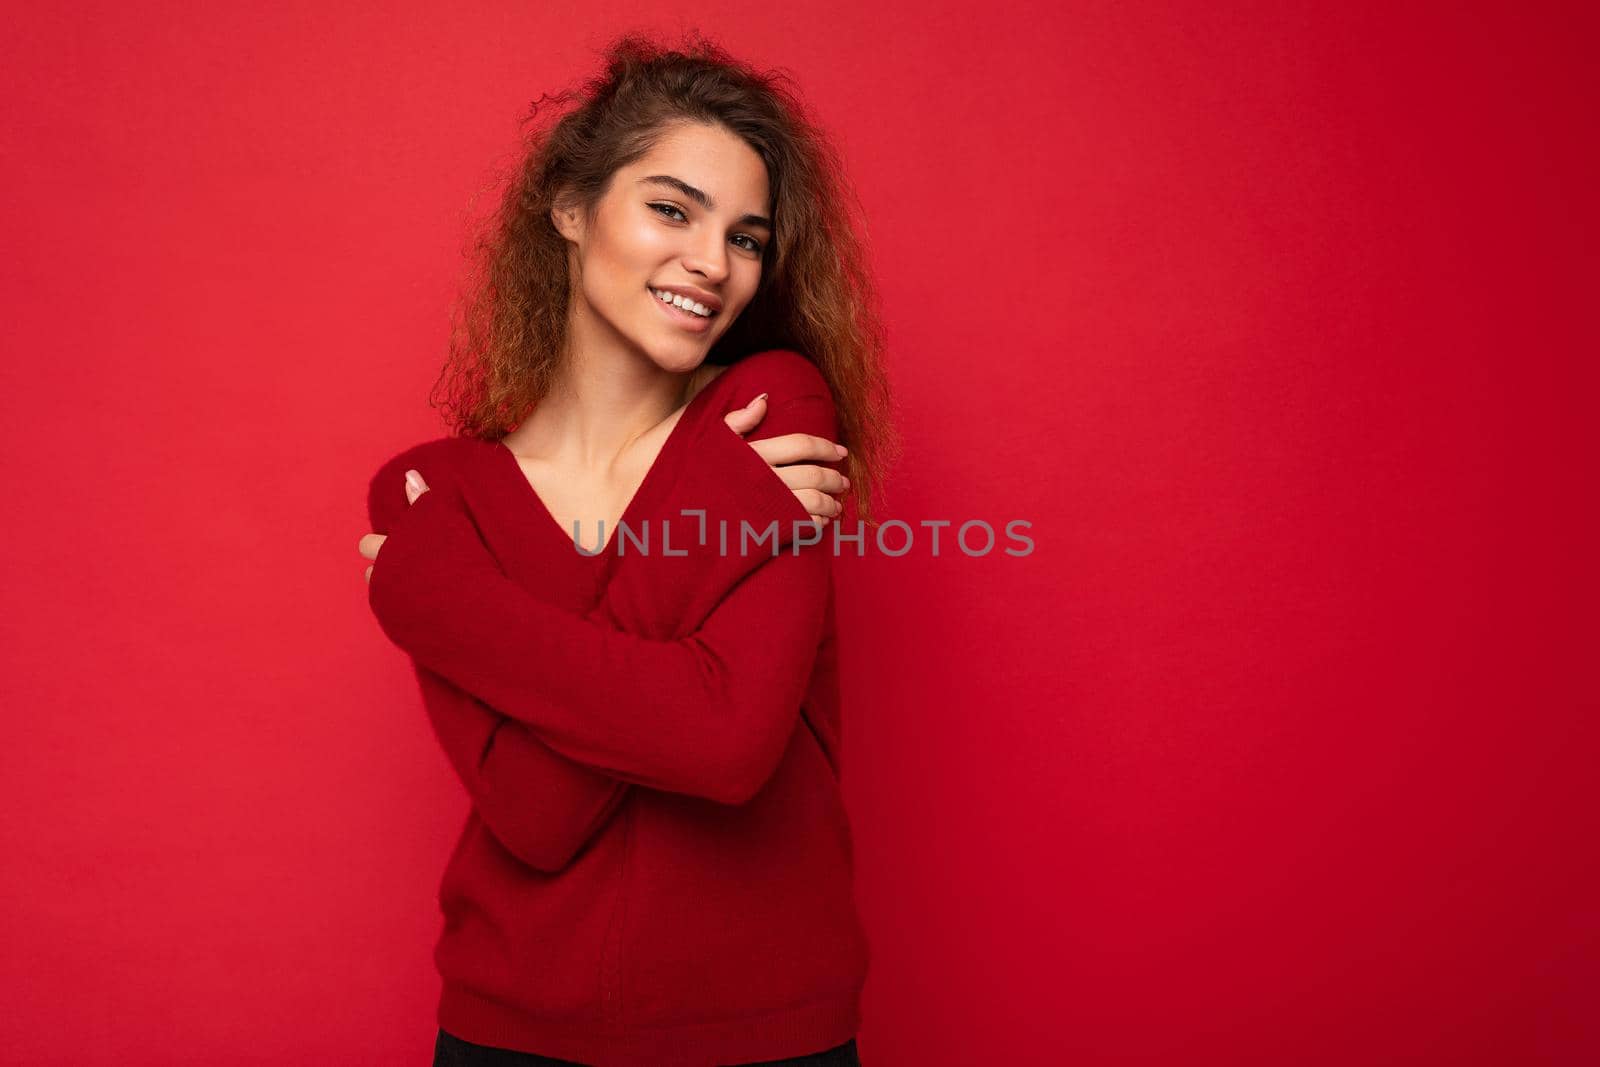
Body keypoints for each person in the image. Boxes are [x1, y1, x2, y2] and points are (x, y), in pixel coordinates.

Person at [357, 31, 897, 1067]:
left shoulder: (767, 413)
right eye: (671, 208)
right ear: (571, 207)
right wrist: (715, 526)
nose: (712, 261)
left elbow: (724, 744)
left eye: (747, 236)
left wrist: (438, 603)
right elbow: (535, 810)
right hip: (506, 1032)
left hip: (767, 1037)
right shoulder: (436, 498)